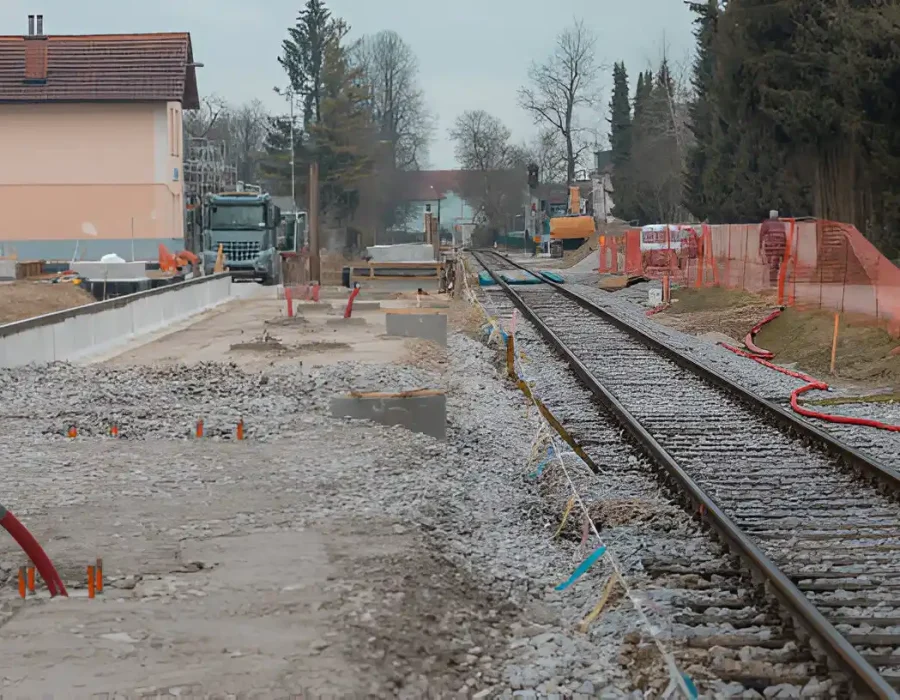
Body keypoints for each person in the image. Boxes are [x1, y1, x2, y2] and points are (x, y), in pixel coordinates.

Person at [759, 210, 787, 286]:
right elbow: (784, 236)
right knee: (775, 263)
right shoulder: (781, 224)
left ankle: (773, 283)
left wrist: (760, 246)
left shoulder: (766, 223)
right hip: (780, 246)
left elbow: (761, 235)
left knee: (771, 264)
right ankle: (775, 281)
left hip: (771, 246)